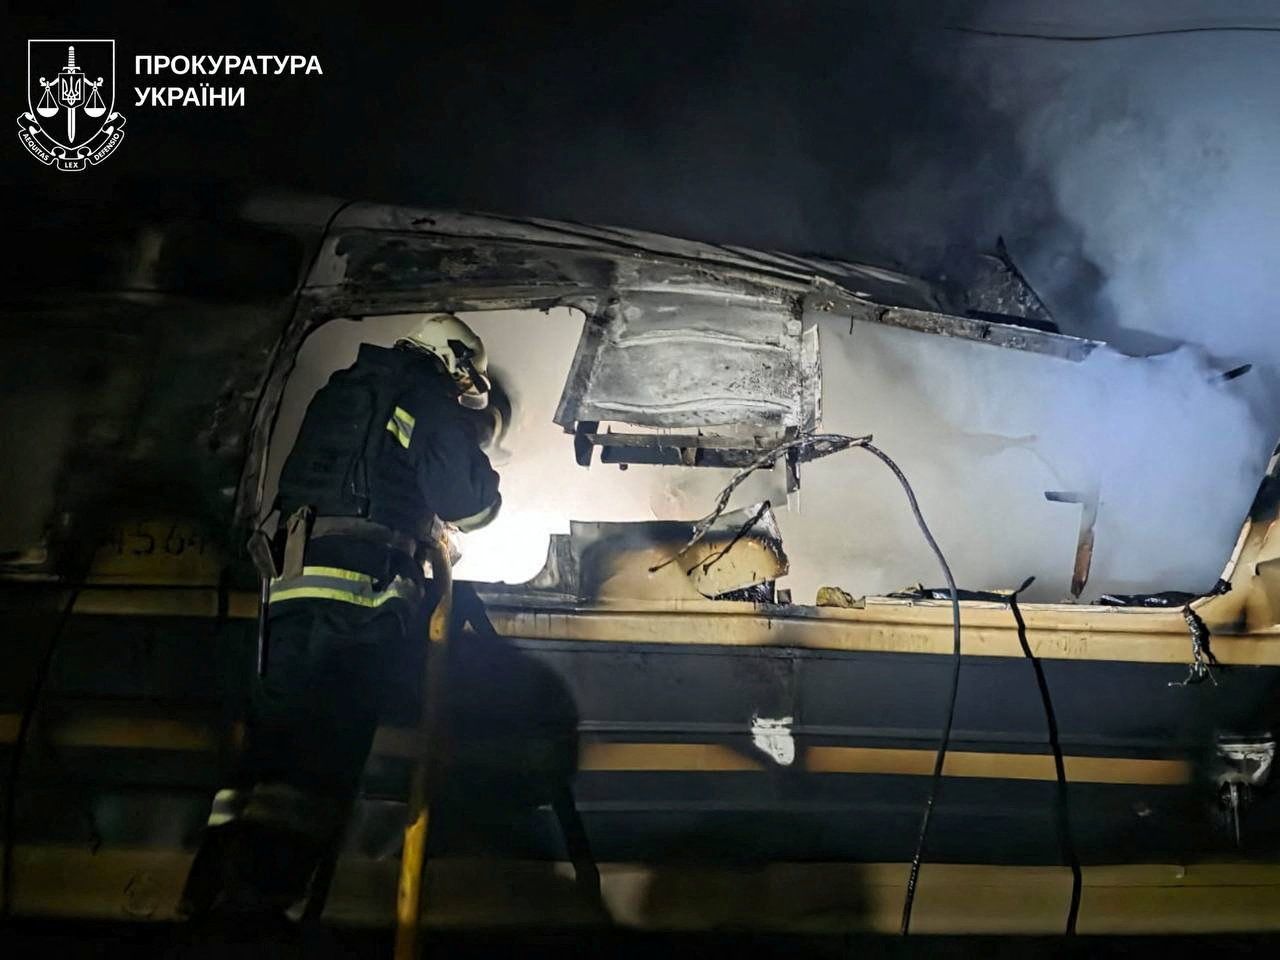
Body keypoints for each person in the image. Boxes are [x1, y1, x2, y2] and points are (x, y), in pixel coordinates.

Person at [179, 313, 502, 931]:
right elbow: (469, 505)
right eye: (463, 382)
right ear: (454, 364)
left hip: (290, 590)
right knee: (325, 754)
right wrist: (473, 474)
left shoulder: (341, 390)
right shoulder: (426, 398)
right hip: (360, 598)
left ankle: (209, 888)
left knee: (270, 743)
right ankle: (267, 904)